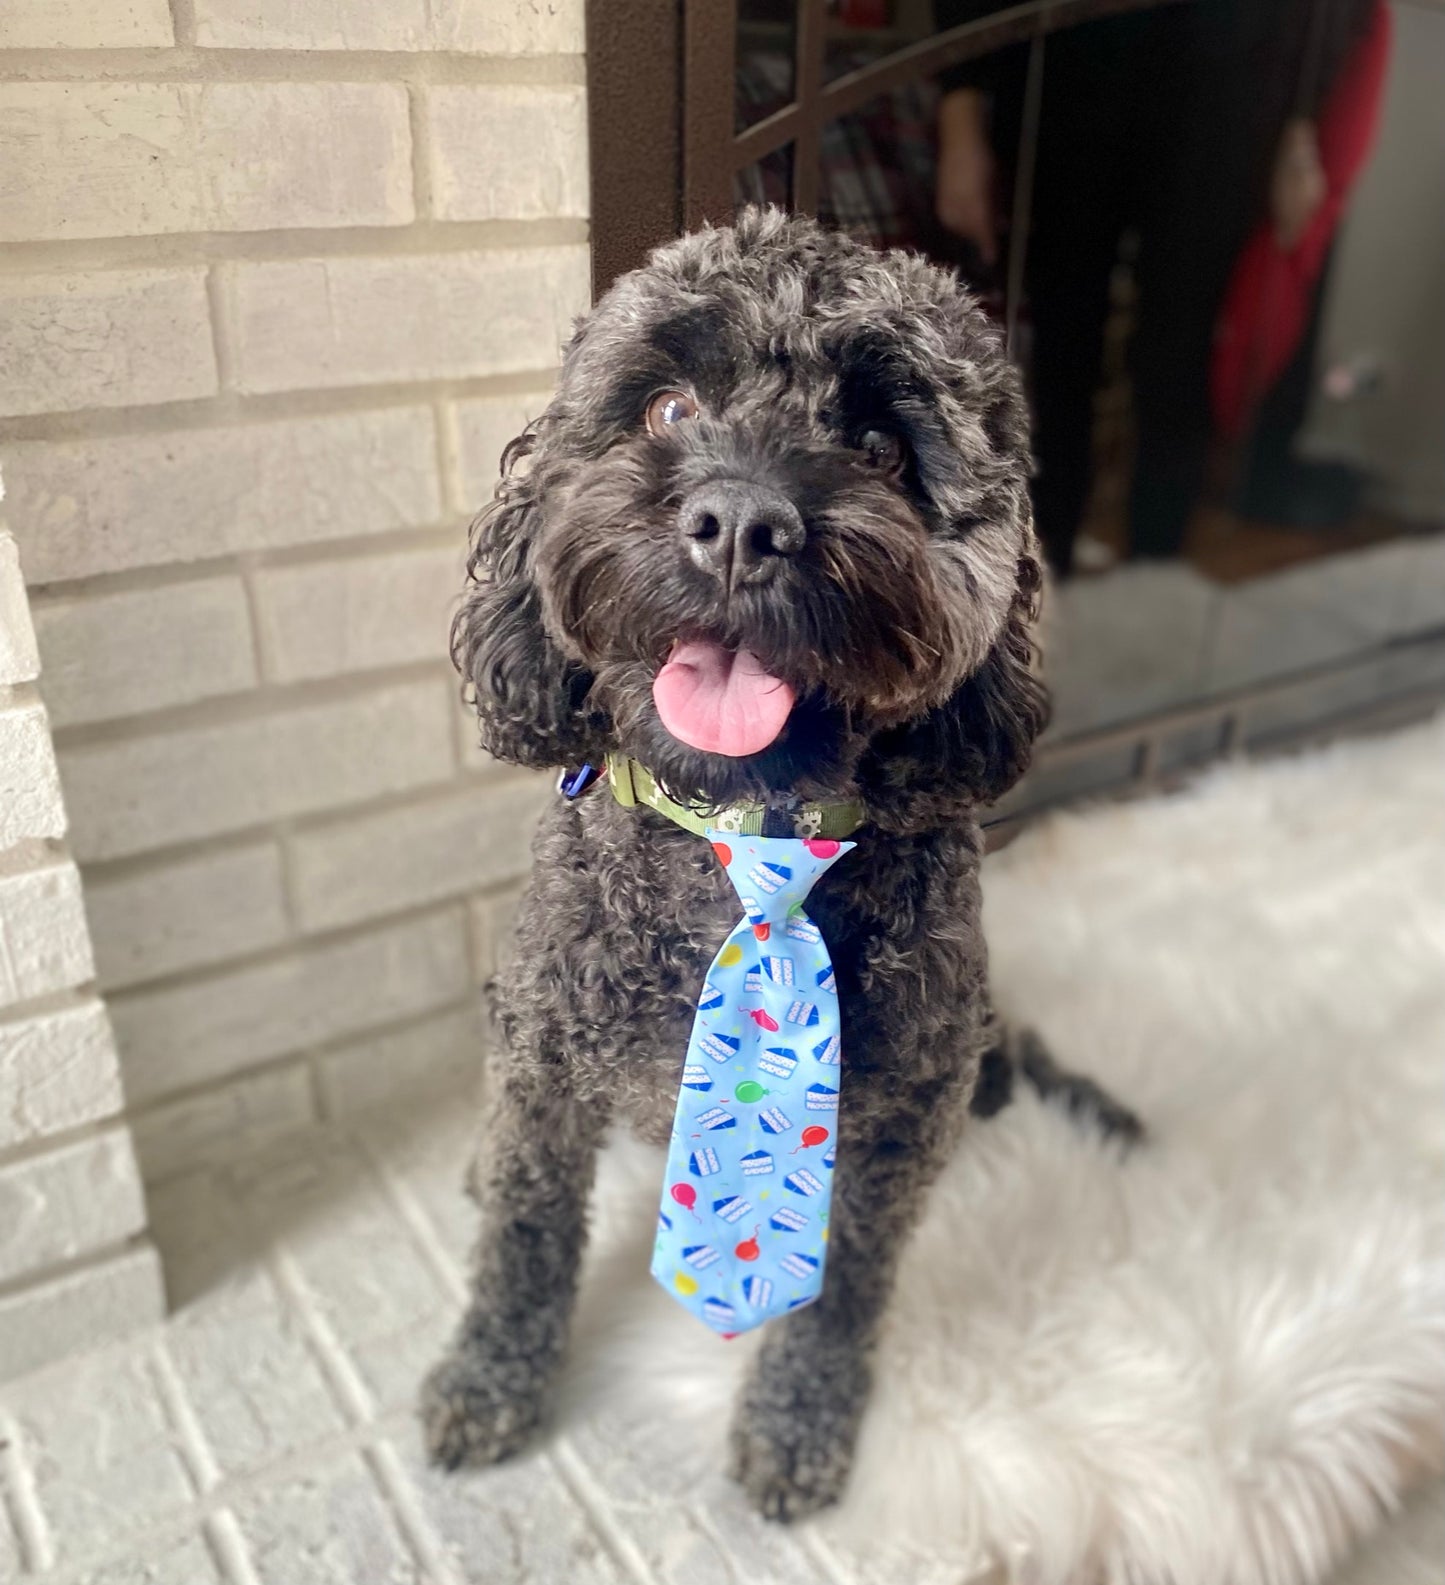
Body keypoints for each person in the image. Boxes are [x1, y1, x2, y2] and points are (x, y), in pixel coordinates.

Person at [933, 0, 1381, 573]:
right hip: (1066, 73)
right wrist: (961, 113)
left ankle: (1155, 589)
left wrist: (1304, 120)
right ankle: (1037, 591)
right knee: (1057, 358)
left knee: (1180, 360)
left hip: (1227, 86)